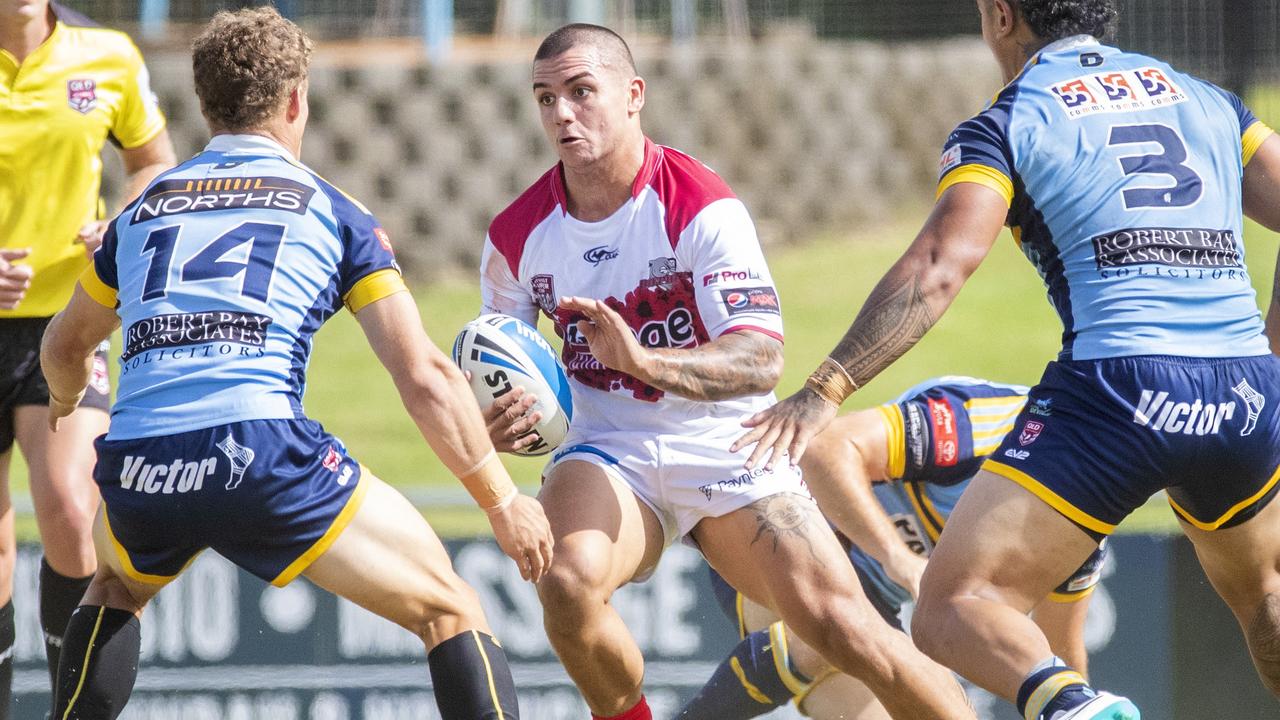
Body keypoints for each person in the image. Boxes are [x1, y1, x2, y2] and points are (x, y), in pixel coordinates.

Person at [735, 0, 1280, 718]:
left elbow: (939, 266)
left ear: (1000, 15)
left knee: (952, 607)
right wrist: (1269, 348)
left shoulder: (1010, 120)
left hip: (1118, 389)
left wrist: (827, 384)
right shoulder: (1210, 100)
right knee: (1266, 597)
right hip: (1243, 392)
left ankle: (1075, 709)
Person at [38, 8, 553, 719]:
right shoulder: (335, 212)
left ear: (205, 104)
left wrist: (66, 402)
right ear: (296, 100)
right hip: (261, 451)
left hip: (138, 460)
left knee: (114, 588)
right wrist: (503, 502)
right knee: (451, 607)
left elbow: (64, 347)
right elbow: (425, 376)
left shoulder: (143, 210)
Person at [479, 22, 973, 720]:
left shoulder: (699, 204)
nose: (562, 113)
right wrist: (500, 419)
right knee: (567, 584)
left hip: (727, 440)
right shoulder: (514, 236)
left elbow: (760, 358)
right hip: (606, 449)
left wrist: (643, 360)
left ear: (632, 96)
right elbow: (500, 366)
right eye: (545, 98)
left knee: (845, 628)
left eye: (581, 92)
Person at [682, 377, 1107, 719]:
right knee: (839, 627)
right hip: (780, 535)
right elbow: (826, 450)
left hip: (872, 607)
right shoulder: (989, 422)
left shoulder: (1084, 527)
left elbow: (1061, 652)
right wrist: (899, 559)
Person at [0, 1, 176, 709]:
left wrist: (124, 219)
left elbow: (152, 162)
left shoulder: (106, 54)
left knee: (74, 509)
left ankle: (75, 707)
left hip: (65, 324)